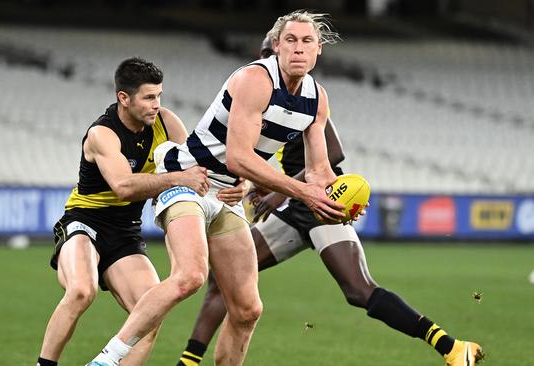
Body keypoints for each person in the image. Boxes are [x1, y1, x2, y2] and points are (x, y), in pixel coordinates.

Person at [173, 39, 485, 366]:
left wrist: (281, 190)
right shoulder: (258, 93)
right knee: (224, 277)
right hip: (296, 207)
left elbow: (331, 154)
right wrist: (263, 184)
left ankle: (451, 347)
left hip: (322, 203)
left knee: (359, 290)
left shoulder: (304, 96)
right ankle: (190, 360)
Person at [85, 10, 348, 366]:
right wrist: (301, 192)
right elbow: (240, 157)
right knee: (191, 276)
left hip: (227, 195)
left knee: (247, 310)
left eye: (307, 42)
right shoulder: (256, 79)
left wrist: (340, 198)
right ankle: (108, 359)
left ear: (318, 50)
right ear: (275, 46)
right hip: (189, 179)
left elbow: (318, 172)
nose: (298, 49)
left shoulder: (317, 99)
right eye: (290, 40)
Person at [35, 57, 247, 366]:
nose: (156, 104)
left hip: (125, 230)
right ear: (124, 98)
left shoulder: (166, 121)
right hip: (85, 221)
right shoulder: (102, 134)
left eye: (159, 95)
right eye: (148, 97)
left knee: (149, 316)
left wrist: (240, 185)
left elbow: (200, 168)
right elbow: (123, 186)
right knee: (82, 290)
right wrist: (178, 178)